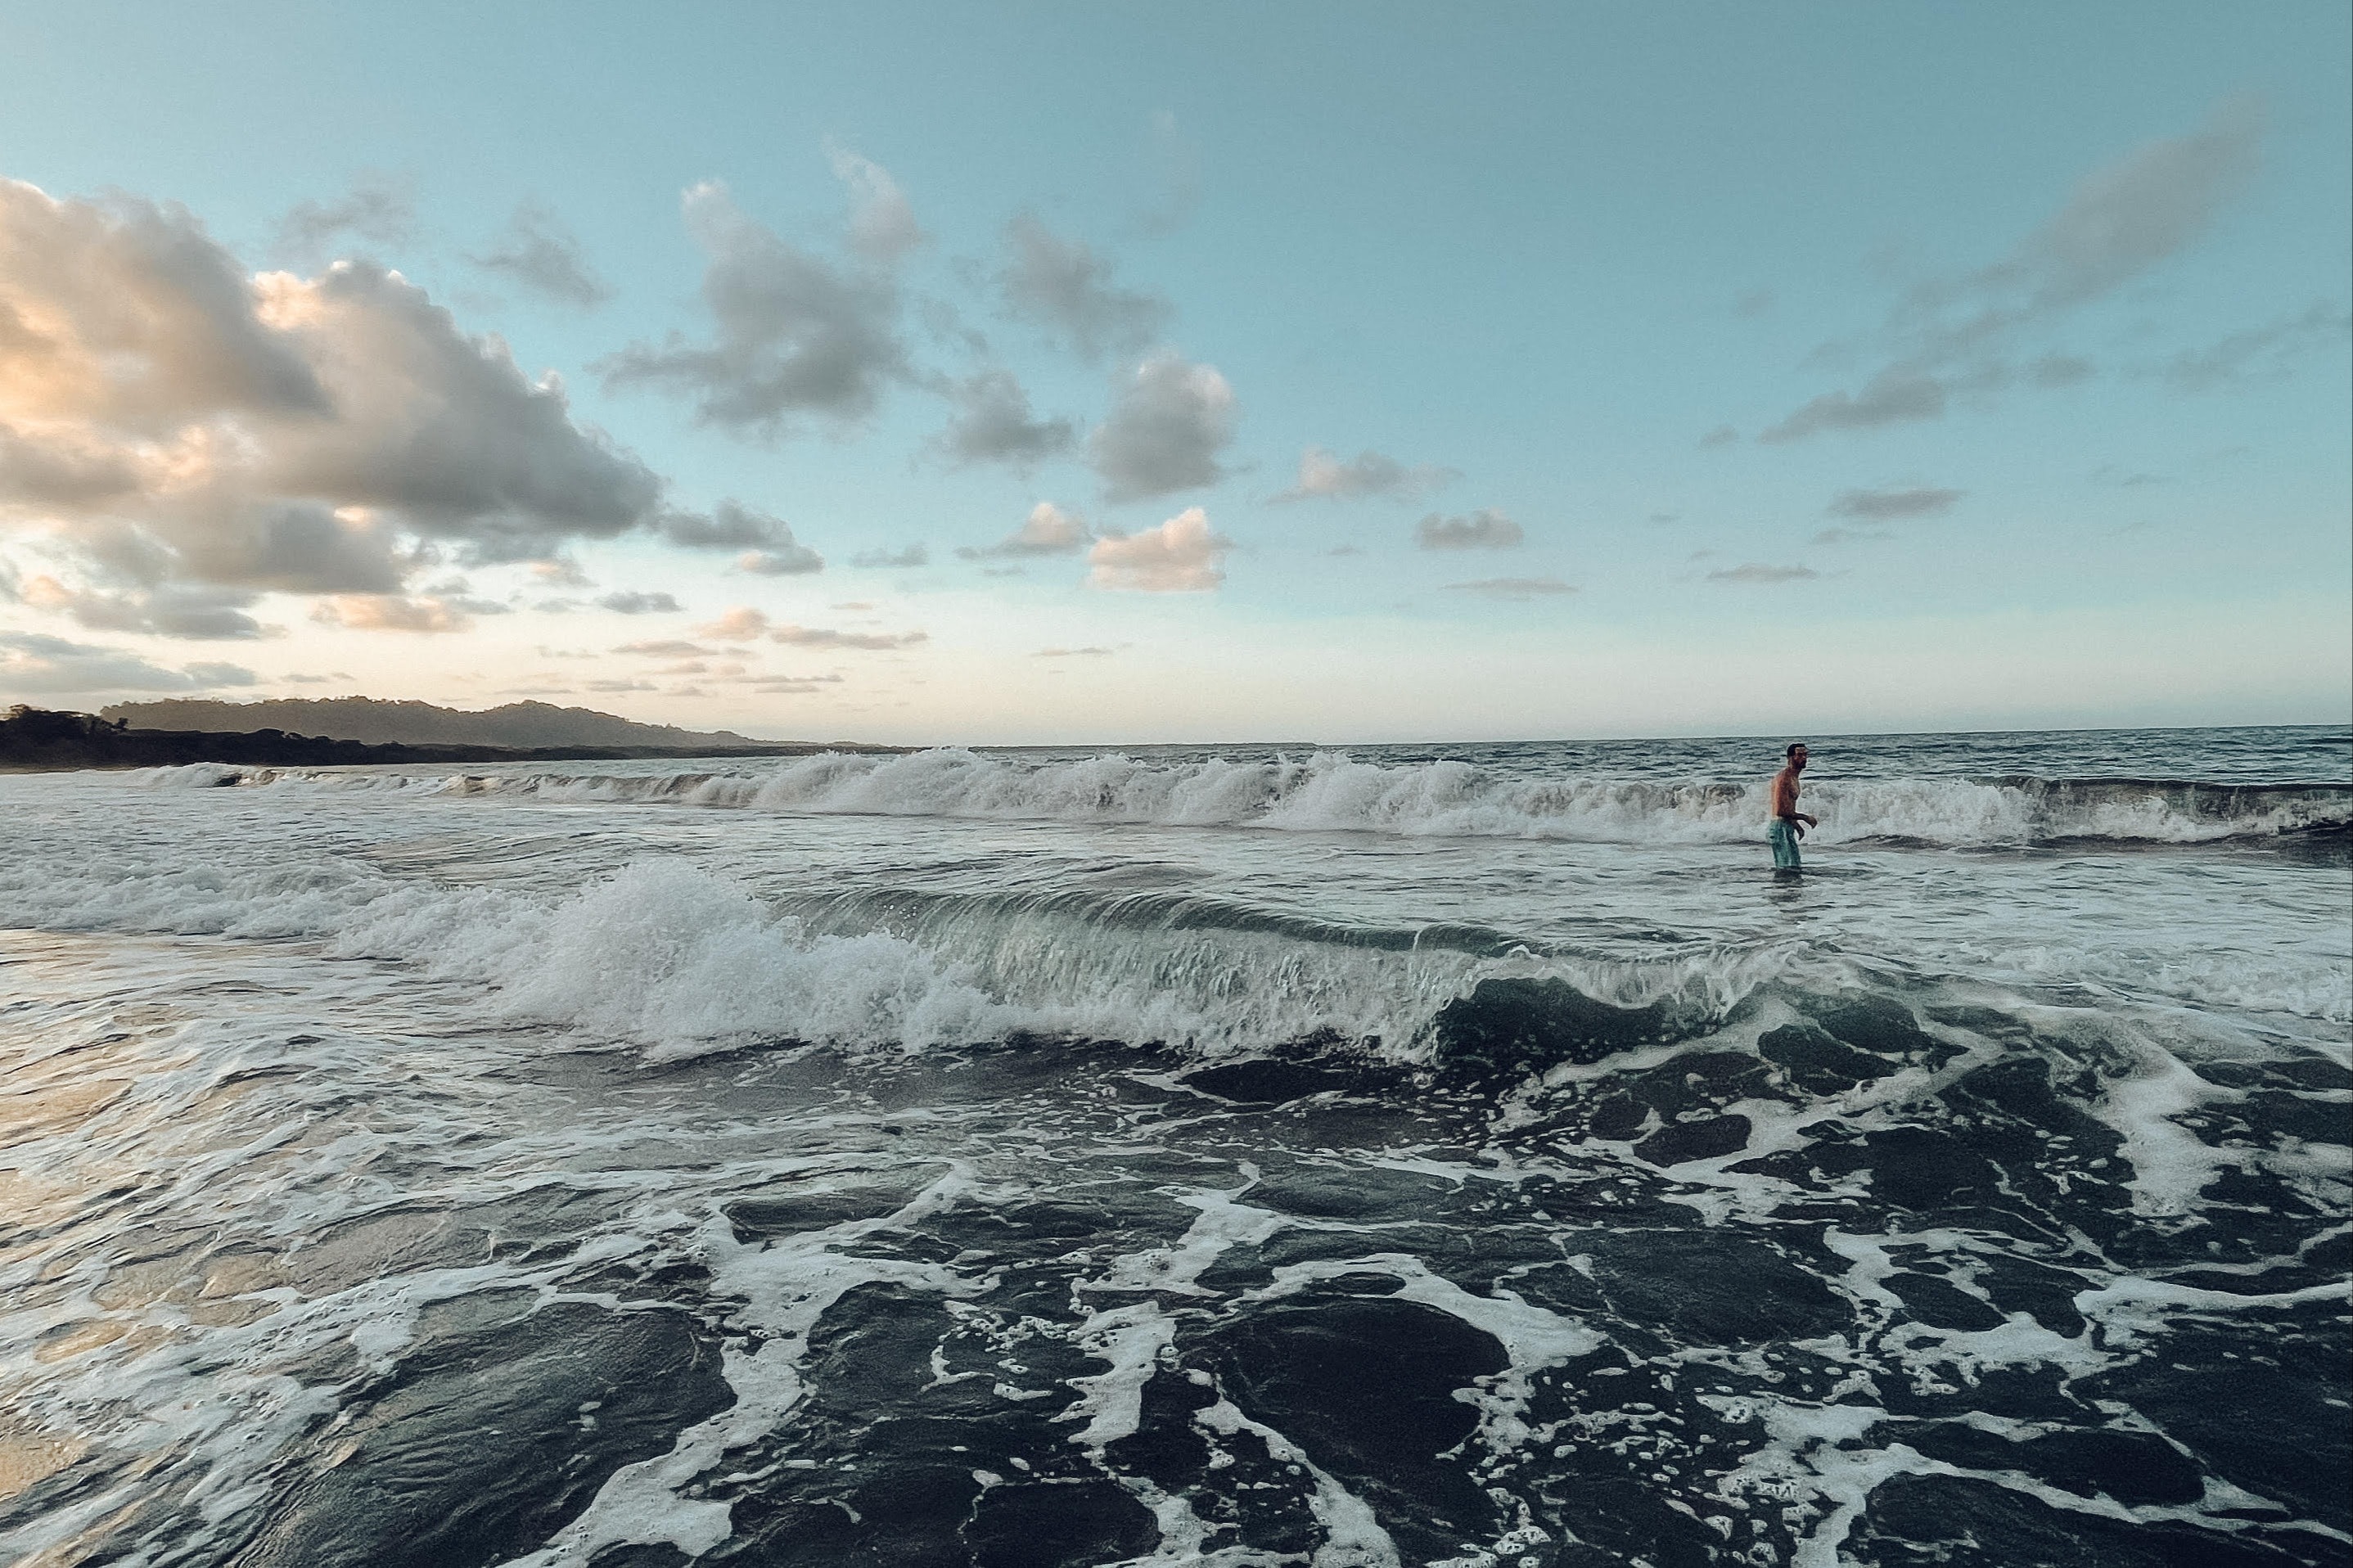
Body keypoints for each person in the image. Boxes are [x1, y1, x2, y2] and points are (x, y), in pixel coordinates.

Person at [1768, 742, 1817, 872]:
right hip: (1780, 828)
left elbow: (1788, 804)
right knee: (1788, 870)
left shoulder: (1794, 777)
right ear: (1790, 758)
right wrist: (1806, 818)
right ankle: (1783, 891)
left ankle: (1790, 891)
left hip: (1786, 826)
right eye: (1799, 755)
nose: (1804, 758)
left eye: (1806, 754)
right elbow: (1781, 810)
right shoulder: (1784, 778)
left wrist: (1796, 825)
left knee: (1794, 868)